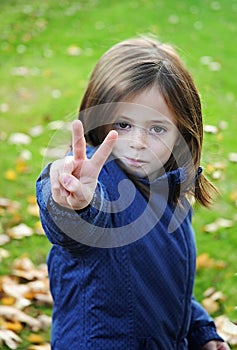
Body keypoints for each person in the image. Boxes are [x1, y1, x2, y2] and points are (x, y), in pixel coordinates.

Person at [36, 36, 230, 349]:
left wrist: (200, 332)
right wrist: (71, 201)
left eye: (157, 128)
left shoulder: (172, 194)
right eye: (123, 124)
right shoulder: (98, 183)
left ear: (182, 131)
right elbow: (71, 224)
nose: (137, 142)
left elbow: (166, 287)